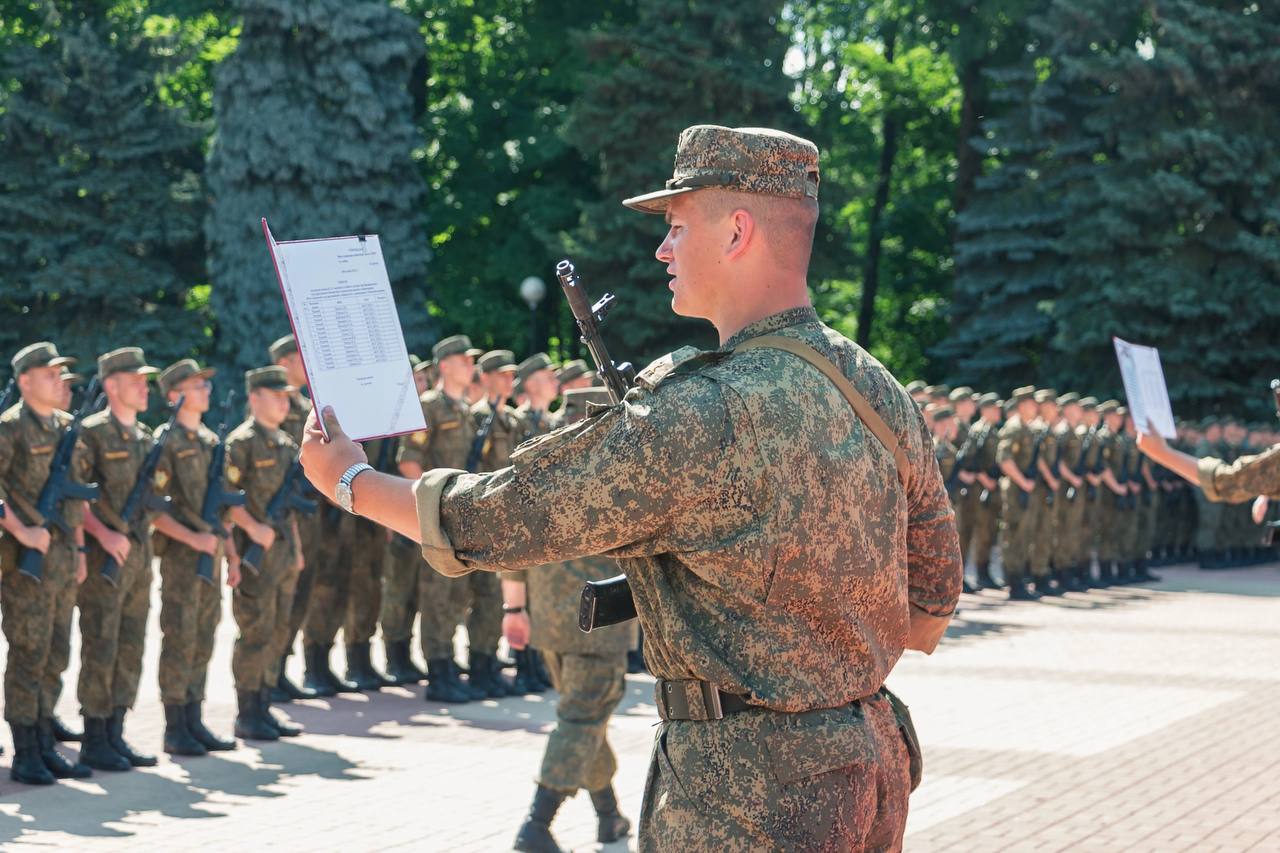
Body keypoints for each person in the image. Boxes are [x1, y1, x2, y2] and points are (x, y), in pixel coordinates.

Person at [299, 123, 962, 850]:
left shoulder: (705, 410)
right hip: (868, 763)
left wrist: (351, 480)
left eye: (676, 226)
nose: (661, 248)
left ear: (738, 231)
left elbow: (504, 517)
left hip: (747, 795)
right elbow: (932, 599)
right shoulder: (874, 385)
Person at [504, 388, 634, 852]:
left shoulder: (539, 463)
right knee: (580, 721)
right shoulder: (615, 468)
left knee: (585, 719)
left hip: (551, 624)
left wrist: (514, 608)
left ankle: (609, 816)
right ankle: (536, 826)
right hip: (599, 624)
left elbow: (510, 540)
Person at [0, 342, 91, 785]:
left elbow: (73, 496)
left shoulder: (65, 427)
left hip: (61, 558)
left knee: (56, 653)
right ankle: (25, 752)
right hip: (24, 562)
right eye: (50, 373)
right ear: (25, 381)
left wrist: (78, 548)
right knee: (28, 654)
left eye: (60, 373)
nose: (59, 380)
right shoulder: (9, 429)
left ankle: (44, 740)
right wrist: (21, 531)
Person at [73, 348, 163, 771]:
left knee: (131, 646)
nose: (145, 387)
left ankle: (116, 733)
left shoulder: (144, 437)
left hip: (139, 559)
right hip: (104, 558)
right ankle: (94, 738)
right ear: (111, 385)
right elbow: (76, 495)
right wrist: (104, 533)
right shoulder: (92, 433)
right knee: (101, 644)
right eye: (136, 380)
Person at [150, 358, 240, 755]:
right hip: (182, 557)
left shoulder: (209, 442)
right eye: (196, 385)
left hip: (213, 553)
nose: (206, 390)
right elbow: (154, 509)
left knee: (203, 636)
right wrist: (193, 539)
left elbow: (224, 509)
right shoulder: (165, 441)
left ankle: (194, 718)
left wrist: (232, 556)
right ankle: (175, 727)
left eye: (206, 384)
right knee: (180, 636)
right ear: (174, 395)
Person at [226, 366, 306, 741]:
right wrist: (250, 530)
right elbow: (227, 500)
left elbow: (290, 508)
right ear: (254, 397)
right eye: (275, 395)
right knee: (255, 632)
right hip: (254, 555)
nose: (283, 402)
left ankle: (265, 704)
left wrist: (299, 550)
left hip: (284, 554)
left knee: (278, 631)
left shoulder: (287, 443)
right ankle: (247, 712)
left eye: (285, 395)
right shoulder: (241, 443)